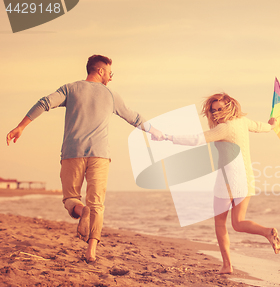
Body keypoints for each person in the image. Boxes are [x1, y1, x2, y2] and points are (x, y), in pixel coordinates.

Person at [6, 55, 165, 263]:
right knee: (97, 204)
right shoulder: (111, 95)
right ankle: (91, 251)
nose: (110, 77)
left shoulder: (70, 89)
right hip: (99, 155)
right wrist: (154, 131)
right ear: (100, 71)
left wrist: (21, 126)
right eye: (110, 72)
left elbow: (44, 103)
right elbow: (133, 117)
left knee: (70, 198)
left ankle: (82, 212)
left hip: (72, 153)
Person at [162, 93, 280, 274]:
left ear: (230, 106)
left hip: (227, 181)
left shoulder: (224, 128)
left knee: (220, 224)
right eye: (214, 110)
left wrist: (169, 137)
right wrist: (272, 125)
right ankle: (267, 231)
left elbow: (197, 139)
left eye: (220, 109)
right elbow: (260, 127)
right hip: (247, 178)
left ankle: (227, 265)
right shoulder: (243, 121)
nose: (217, 113)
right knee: (239, 223)